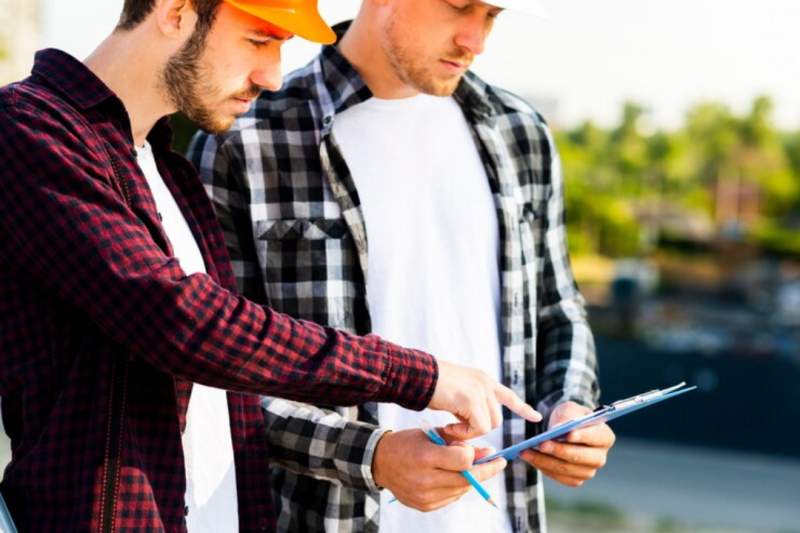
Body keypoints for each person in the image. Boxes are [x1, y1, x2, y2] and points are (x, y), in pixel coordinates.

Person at [0, 0, 543, 531]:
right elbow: (188, 323)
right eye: (258, 40)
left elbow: (239, 376)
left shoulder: (169, 173)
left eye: (281, 47)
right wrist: (417, 375)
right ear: (175, 11)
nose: (273, 76)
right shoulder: (27, 131)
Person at [188, 0, 617, 531]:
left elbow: (558, 308)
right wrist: (375, 457)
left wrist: (571, 406)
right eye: (459, 7)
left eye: (492, 16)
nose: (475, 40)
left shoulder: (520, 132)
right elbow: (215, 373)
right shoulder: (246, 138)